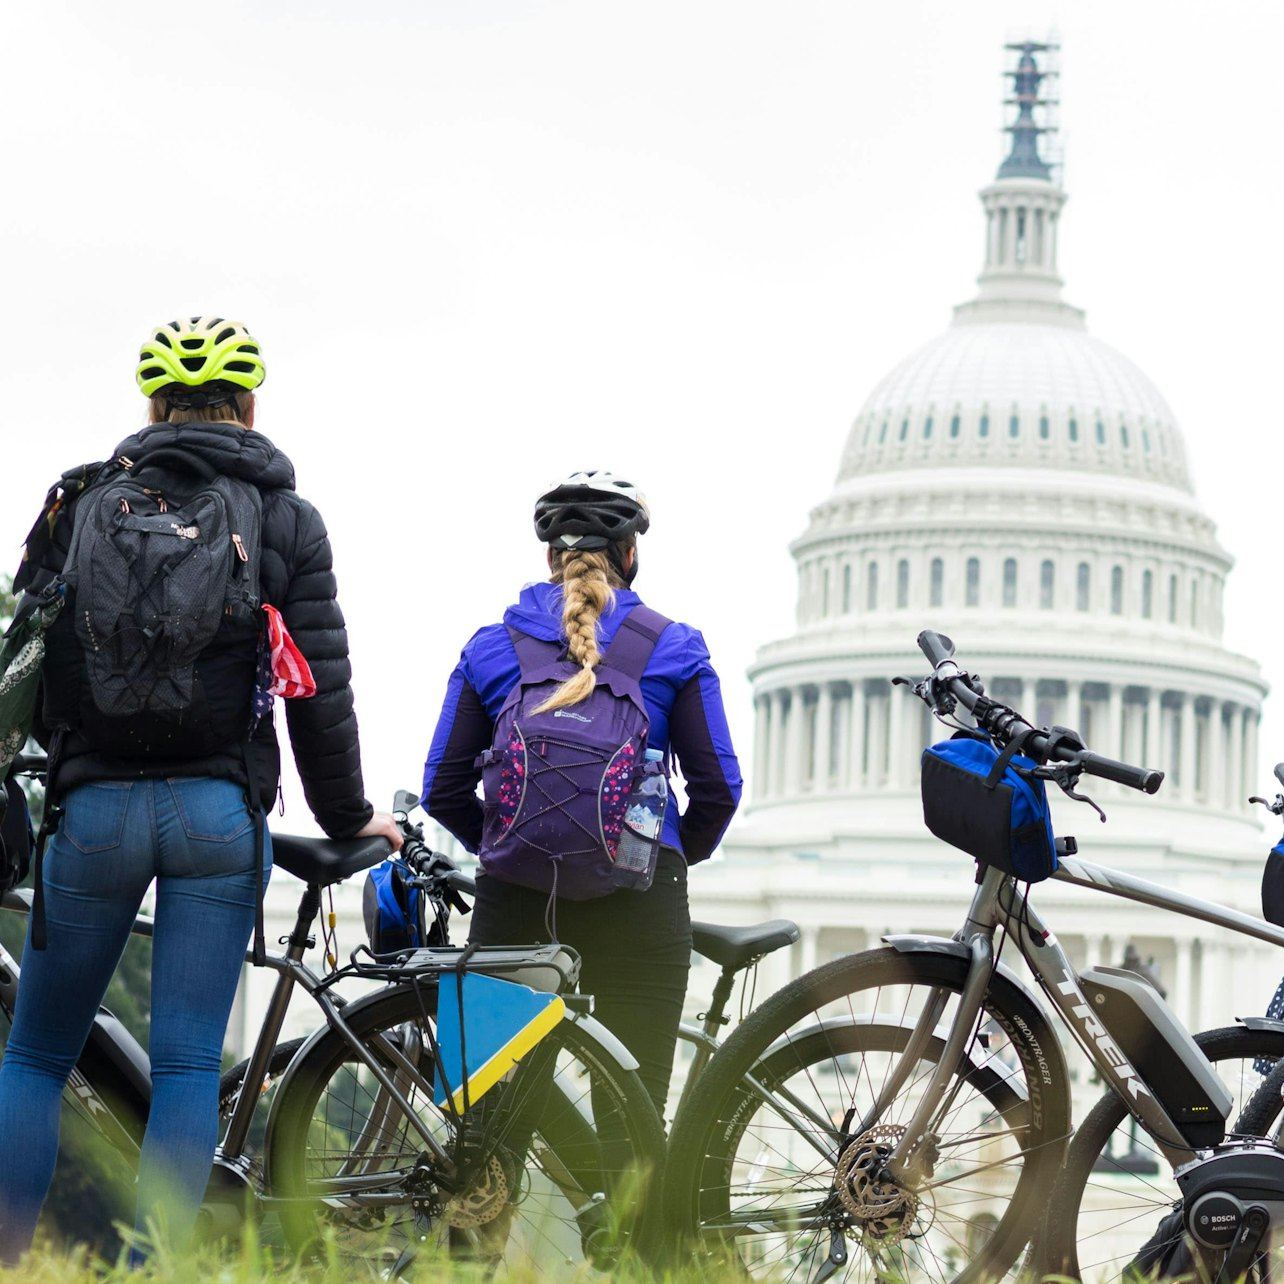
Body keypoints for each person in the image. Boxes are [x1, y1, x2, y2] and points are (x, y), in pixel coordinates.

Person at [0, 316, 401, 1261]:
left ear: (152, 406)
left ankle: (10, 1257)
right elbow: (321, 691)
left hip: (91, 811)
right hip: (216, 816)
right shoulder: (287, 520)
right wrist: (349, 817)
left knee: (34, 1056)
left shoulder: (79, 504)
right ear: (249, 409)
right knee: (186, 1064)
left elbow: (21, 657)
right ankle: (161, 1270)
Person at [421, 471, 742, 1118]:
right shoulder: (675, 646)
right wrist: (669, 854)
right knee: (631, 1125)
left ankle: (477, 1210)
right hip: (639, 900)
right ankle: (615, 1219)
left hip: (515, 899)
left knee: (480, 1112)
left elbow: (441, 785)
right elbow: (720, 788)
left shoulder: (491, 647)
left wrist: (505, 842)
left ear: (549, 559)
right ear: (630, 555)